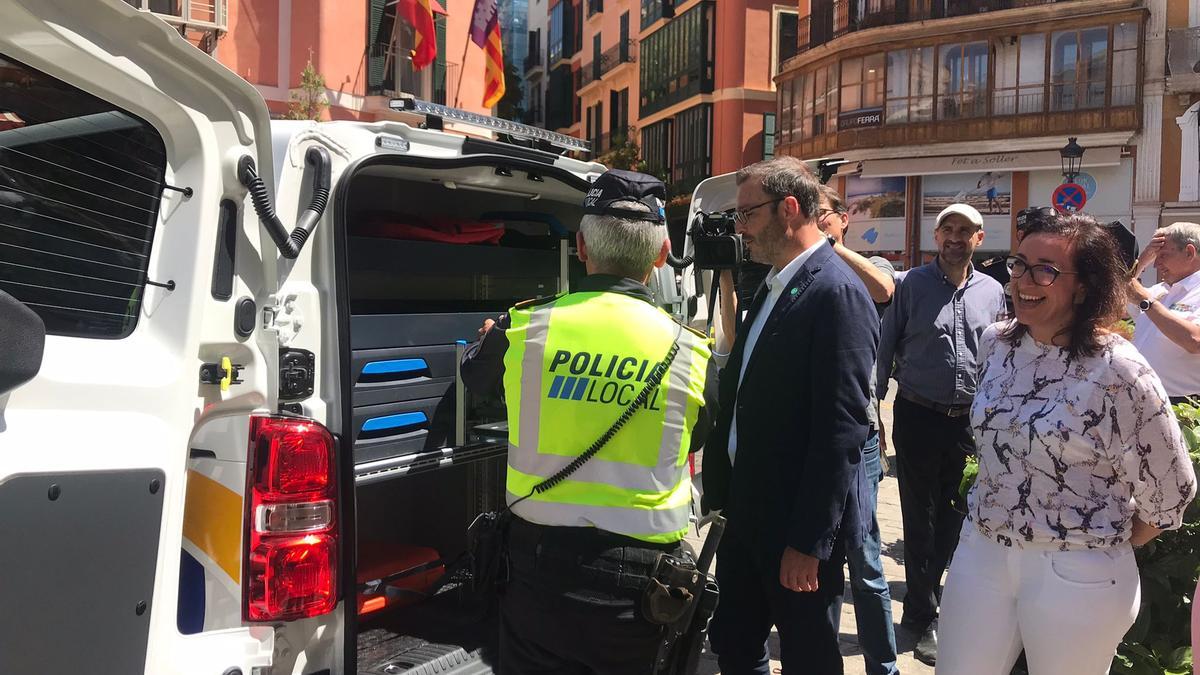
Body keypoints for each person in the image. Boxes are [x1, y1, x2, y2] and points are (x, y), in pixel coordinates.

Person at [460, 169, 715, 675]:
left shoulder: (523, 326)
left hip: (537, 576)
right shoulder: (691, 350)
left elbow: (474, 378)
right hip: (646, 590)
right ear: (662, 253)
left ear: (580, 246)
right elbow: (698, 435)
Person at [938, 213, 1196, 675]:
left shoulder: (1119, 370)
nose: (1023, 280)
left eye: (1045, 269)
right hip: (982, 551)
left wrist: (1097, 541)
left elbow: (1171, 488)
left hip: (1077, 572)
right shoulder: (997, 344)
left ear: (1085, 285)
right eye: (1020, 264)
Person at [701, 157, 879, 674]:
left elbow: (841, 431)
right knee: (734, 641)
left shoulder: (837, 293)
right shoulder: (775, 284)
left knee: (808, 656)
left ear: (790, 209)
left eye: (747, 214)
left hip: (792, 528)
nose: (739, 229)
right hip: (747, 512)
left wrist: (808, 542)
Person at [876, 202, 1006, 665]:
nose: (955, 237)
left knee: (956, 512)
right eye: (947, 229)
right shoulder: (910, 285)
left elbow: (1001, 356)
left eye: (964, 230)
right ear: (936, 237)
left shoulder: (994, 291)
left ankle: (928, 599)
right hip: (917, 413)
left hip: (970, 421)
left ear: (978, 237)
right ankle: (923, 609)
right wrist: (873, 409)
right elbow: (886, 343)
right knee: (919, 512)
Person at [816, 183, 899, 675]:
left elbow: (884, 290)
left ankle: (883, 667)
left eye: (822, 214)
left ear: (843, 219)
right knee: (821, 562)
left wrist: (831, 247)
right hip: (813, 437)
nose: (817, 222)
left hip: (860, 438)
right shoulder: (799, 275)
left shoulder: (875, 265)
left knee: (865, 561)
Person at [1127, 221, 1200, 404]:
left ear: (1190, 252)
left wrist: (1147, 303)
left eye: (1163, 256)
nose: (1156, 264)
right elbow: (1114, 305)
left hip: (1181, 406)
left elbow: (1194, 341)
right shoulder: (1160, 290)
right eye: (1154, 257)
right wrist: (1143, 259)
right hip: (1140, 398)